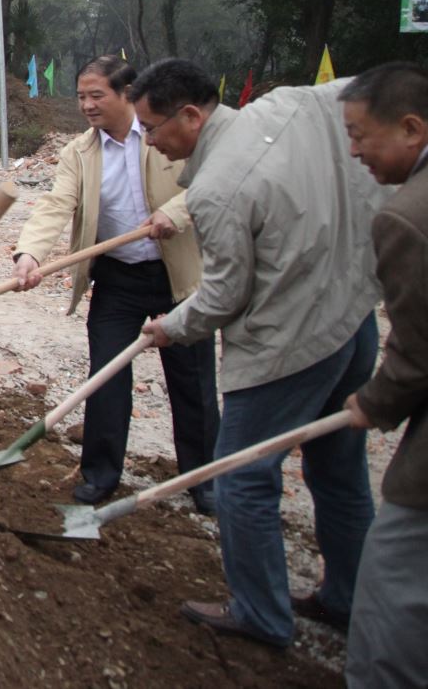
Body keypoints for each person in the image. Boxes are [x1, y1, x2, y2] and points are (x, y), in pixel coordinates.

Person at [133, 59, 389, 649]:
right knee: (339, 470)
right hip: (353, 320)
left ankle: (260, 614)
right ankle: (348, 599)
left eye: (153, 128)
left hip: (288, 345)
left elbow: (224, 296)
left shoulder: (219, 186)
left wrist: (171, 326)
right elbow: (358, 89)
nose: (150, 141)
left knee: (243, 479)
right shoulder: (293, 103)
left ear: (192, 116)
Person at [11, 55, 219, 512]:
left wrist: (176, 213)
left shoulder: (165, 138)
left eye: (96, 95)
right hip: (118, 278)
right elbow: (55, 204)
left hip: (177, 277)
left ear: (128, 94)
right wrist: (30, 254)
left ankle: (205, 481)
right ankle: (100, 475)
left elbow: (210, 182)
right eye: (81, 95)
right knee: (106, 377)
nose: (86, 104)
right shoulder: (79, 153)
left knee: (193, 382)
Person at [338, 63, 428, 686]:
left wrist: (375, 401)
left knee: (394, 583)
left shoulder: (406, 217)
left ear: (412, 127)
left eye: (360, 134)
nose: (354, 150)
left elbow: (419, 351)